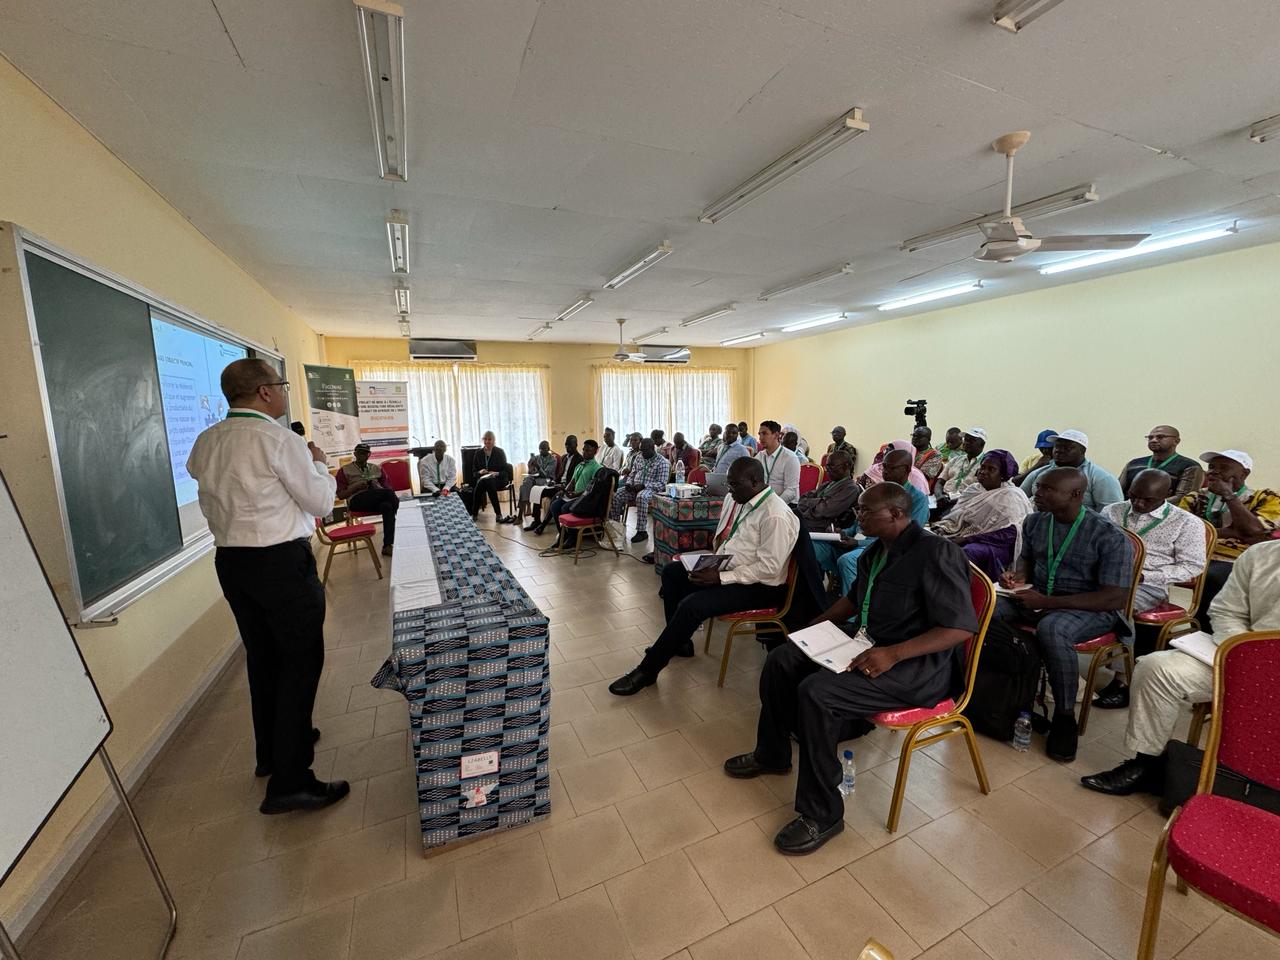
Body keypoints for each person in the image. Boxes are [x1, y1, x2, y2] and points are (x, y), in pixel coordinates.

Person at [723, 483, 978, 855]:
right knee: (782, 658)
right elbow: (853, 600)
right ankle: (773, 753)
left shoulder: (936, 553)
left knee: (818, 694)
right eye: (858, 510)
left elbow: (959, 628)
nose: (858, 516)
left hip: (915, 666)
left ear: (896, 514)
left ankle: (823, 813)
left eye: (865, 511)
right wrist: (811, 629)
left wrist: (893, 654)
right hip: (866, 645)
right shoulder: (874, 552)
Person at [186, 359, 348, 815]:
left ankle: (271, 751)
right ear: (262, 392)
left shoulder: (207, 440)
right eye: (280, 385)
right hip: (280, 563)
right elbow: (320, 502)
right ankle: (291, 782)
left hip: (233, 563)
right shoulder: (280, 440)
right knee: (300, 663)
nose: (283, 392)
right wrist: (319, 466)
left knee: (263, 659)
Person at [1080, 540, 1280, 797]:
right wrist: (1245, 653)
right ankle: (1146, 762)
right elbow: (1226, 612)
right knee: (1157, 669)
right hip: (1241, 655)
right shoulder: (1261, 555)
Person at [608, 457, 799, 696]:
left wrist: (720, 578)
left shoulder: (775, 515)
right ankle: (681, 643)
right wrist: (714, 564)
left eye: (734, 485)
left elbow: (769, 569)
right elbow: (732, 541)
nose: (729, 491)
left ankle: (647, 671)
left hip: (761, 586)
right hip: (730, 567)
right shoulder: (739, 498)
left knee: (692, 605)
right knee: (672, 573)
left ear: (755, 481)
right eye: (728, 484)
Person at [995, 468, 1133, 762]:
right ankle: (998, 694)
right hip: (1039, 597)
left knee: (1053, 629)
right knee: (988, 609)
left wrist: (1048, 601)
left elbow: (1114, 597)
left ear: (1075, 495)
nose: (1037, 493)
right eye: (1038, 487)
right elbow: (1027, 562)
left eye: (1047, 489)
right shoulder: (1035, 522)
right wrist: (1016, 579)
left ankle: (1064, 716)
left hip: (1090, 607)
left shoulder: (1109, 536)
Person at [1089, 470, 1208, 709]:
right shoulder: (1113, 511)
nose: (1138, 503)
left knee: (1119, 603)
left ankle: (1123, 680)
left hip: (1147, 585)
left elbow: (1193, 566)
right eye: (1134, 496)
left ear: (1169, 494)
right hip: (1100, 576)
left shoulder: (1186, 523)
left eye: (1147, 499)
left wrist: (1146, 576)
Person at [1174, 449, 1280, 632]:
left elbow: (1253, 531)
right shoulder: (1195, 497)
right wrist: (1233, 532)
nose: (1214, 472)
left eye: (1224, 467)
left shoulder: (1266, 498)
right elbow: (1179, 532)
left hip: (1237, 559)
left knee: (1214, 576)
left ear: (1244, 473)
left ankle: (1210, 632)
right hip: (1193, 554)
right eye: (1212, 467)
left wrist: (1228, 496)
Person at [833, 449, 930, 594]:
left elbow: (905, 538)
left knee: (848, 561)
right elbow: (858, 524)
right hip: (858, 541)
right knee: (817, 547)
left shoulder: (917, 498)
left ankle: (855, 613)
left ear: (907, 469)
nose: (885, 472)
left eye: (891, 468)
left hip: (885, 549)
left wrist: (859, 543)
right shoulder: (878, 491)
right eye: (884, 467)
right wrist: (843, 533)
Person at [930, 449, 1032, 580]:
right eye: (982, 467)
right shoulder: (973, 489)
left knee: (969, 552)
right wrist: (943, 528)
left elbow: (1012, 533)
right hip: (967, 533)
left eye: (991, 469)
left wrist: (968, 539)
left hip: (997, 544)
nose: (984, 472)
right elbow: (958, 516)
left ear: (1002, 474)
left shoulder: (1011, 496)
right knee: (931, 538)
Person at [1020, 429, 1123, 511]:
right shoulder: (1040, 473)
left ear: (1082, 451)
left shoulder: (1101, 478)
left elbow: (1112, 516)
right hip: (1039, 529)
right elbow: (1019, 499)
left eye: (1067, 447)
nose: (1059, 450)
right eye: (1057, 446)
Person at [335, 442, 399, 556]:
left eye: (365, 454)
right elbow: (341, 495)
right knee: (389, 495)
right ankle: (403, 514)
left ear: (369, 455)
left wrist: (377, 487)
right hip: (357, 500)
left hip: (376, 498)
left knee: (387, 506)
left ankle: (387, 546)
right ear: (355, 454)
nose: (362, 456)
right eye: (360, 453)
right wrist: (355, 487)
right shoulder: (344, 470)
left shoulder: (376, 468)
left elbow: (387, 487)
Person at [534, 439, 602, 536]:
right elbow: (572, 481)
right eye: (584, 450)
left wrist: (576, 494)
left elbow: (591, 489)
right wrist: (565, 490)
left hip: (583, 497)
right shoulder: (580, 465)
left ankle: (572, 538)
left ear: (595, 452)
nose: (584, 453)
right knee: (554, 505)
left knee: (565, 508)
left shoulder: (597, 468)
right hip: (574, 495)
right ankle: (562, 535)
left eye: (588, 451)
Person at [609, 437, 670, 543]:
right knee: (616, 494)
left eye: (644, 450)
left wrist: (643, 486)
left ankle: (642, 532)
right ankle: (616, 527)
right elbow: (632, 474)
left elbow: (661, 484)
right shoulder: (639, 457)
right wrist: (629, 484)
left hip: (651, 490)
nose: (642, 453)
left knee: (641, 496)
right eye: (641, 450)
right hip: (634, 488)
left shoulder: (662, 462)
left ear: (652, 448)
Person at [1118, 425, 1204, 501]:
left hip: (1167, 515)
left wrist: (1149, 505)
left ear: (1176, 441)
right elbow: (1118, 491)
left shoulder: (1190, 466)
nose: (1153, 440)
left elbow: (1182, 498)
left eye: (1160, 437)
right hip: (1128, 512)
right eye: (1150, 437)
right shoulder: (1133, 464)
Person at [524, 436, 582, 529]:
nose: (567, 448)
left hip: (567, 487)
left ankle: (544, 525)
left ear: (576, 445)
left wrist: (564, 486)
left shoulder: (579, 459)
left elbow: (575, 479)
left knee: (552, 497)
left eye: (570, 446)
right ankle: (536, 521)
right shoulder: (564, 458)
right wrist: (554, 481)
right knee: (537, 491)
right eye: (566, 446)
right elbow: (560, 474)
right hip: (558, 484)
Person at [795, 450, 859, 533]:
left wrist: (810, 505)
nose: (827, 469)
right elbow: (802, 499)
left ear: (846, 466)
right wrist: (821, 501)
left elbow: (824, 511)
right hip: (808, 522)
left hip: (822, 530)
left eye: (831, 466)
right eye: (826, 466)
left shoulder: (850, 488)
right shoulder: (826, 484)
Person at [459, 431, 510, 521]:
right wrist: (480, 472)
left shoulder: (499, 452)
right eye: (485, 439)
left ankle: (474, 514)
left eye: (489, 439)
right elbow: (474, 473)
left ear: (494, 441)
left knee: (485, 483)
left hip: (499, 479)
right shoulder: (478, 453)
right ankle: (498, 515)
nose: (487, 441)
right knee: (485, 482)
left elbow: (506, 471)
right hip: (484, 480)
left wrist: (496, 473)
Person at [857, 439, 930, 496]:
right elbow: (859, 486)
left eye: (892, 452)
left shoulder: (916, 478)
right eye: (886, 450)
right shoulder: (876, 467)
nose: (886, 454)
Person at [935, 428, 987, 502]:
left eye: (972, 441)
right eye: (966, 439)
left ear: (982, 445)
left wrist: (952, 501)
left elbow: (980, 493)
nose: (966, 443)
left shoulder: (985, 465)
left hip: (965, 503)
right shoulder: (955, 460)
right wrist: (939, 496)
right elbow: (940, 482)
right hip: (943, 498)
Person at [756, 420, 801, 504]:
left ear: (776, 435)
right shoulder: (759, 456)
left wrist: (774, 505)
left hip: (786, 504)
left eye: (765, 433)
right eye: (760, 434)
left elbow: (791, 491)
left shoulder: (790, 458)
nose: (760, 438)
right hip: (765, 502)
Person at [516, 440, 559, 523]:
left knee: (524, 486)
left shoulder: (553, 459)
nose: (541, 451)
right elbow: (530, 473)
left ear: (548, 449)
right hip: (536, 479)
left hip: (547, 480)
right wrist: (530, 467)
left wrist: (538, 466)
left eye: (543, 449)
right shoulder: (536, 457)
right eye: (540, 449)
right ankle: (527, 506)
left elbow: (546, 475)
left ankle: (520, 515)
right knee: (526, 482)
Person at [910, 426, 943, 490]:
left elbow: (924, 475)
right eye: (914, 435)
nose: (915, 438)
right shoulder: (908, 450)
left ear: (929, 439)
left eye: (919, 436)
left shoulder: (935, 455)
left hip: (920, 487)